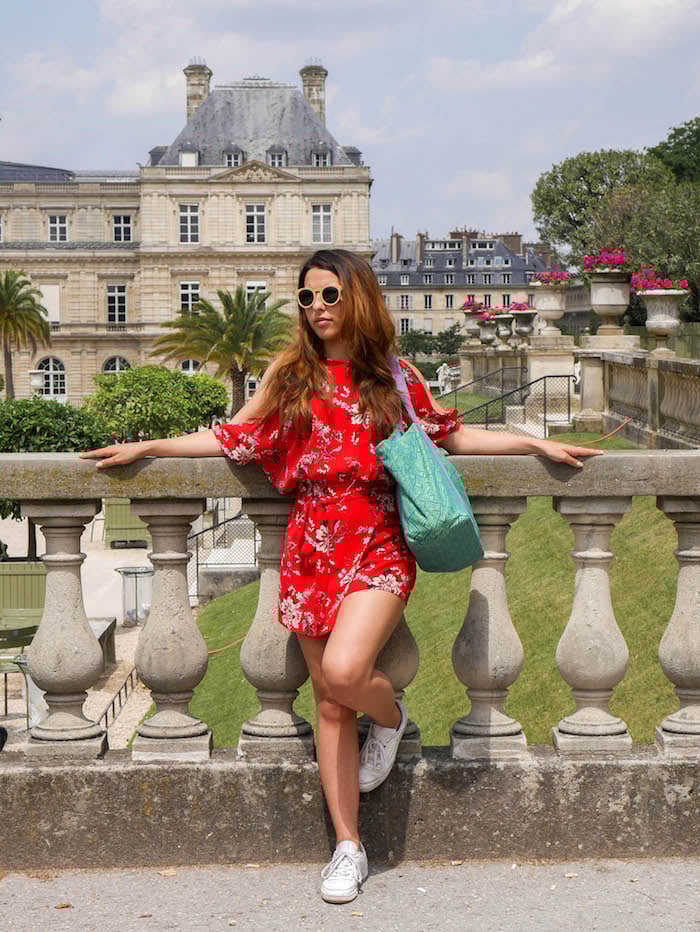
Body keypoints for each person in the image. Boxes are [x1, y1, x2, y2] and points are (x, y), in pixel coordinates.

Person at [82, 248, 601, 904]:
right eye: (307, 298)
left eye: (329, 295)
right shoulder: (290, 374)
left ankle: (388, 717)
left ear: (356, 298)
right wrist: (151, 446)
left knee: (348, 676)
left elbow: (450, 436)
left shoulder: (394, 376)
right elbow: (232, 438)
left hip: (380, 545)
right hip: (310, 549)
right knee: (328, 698)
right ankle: (348, 847)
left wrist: (532, 443)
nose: (318, 309)